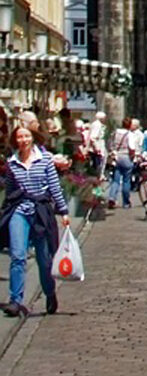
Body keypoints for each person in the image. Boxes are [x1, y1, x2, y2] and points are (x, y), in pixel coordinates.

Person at [2, 124, 70, 318]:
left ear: (32, 138)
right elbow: (9, 191)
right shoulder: (12, 163)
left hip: (41, 212)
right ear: (15, 141)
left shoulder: (45, 159)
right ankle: (15, 301)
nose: (23, 140)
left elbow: (54, 187)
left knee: (44, 259)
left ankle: (49, 292)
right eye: (19, 137)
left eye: (26, 136)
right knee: (18, 256)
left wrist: (64, 211)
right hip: (20, 211)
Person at [110, 116, 139, 208]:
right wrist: (133, 156)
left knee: (116, 180)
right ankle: (126, 202)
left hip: (117, 157)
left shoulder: (115, 132)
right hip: (126, 157)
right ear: (130, 125)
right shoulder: (130, 134)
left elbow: (110, 144)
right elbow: (132, 148)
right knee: (126, 180)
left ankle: (112, 197)